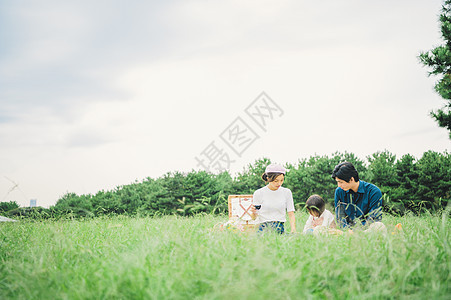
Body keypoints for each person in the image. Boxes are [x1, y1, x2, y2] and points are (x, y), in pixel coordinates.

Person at [331, 162, 384, 230]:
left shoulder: (374, 192)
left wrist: (357, 231)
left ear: (352, 179)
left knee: (379, 226)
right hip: (347, 233)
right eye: (337, 182)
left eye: (341, 182)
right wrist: (347, 231)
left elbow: (374, 218)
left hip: (366, 232)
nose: (339, 185)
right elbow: (340, 218)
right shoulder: (339, 191)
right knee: (319, 229)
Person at [251, 163, 296, 234]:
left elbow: (291, 213)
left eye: (282, 180)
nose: (279, 183)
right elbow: (253, 218)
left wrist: (293, 229)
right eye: (276, 181)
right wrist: (253, 213)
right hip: (264, 228)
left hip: (279, 227)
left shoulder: (286, 192)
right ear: (268, 179)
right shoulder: (259, 193)